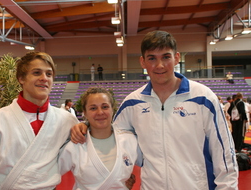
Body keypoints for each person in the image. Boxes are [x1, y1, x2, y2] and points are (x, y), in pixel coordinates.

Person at [71, 30, 238, 189]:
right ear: (142, 62)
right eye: (152, 58)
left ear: (176, 58)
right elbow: (112, 138)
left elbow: (224, 153)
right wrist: (87, 126)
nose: (159, 65)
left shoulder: (203, 98)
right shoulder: (133, 103)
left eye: (166, 57)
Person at [0, 52, 79, 189]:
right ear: (21, 78)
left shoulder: (66, 120)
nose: (44, 78)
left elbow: (83, 160)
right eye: (37, 73)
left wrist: (86, 129)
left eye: (49, 74)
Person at [58, 87, 139, 189]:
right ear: (85, 113)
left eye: (105, 107)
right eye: (93, 108)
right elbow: (49, 174)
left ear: (112, 109)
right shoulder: (75, 145)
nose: (100, 112)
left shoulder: (130, 140)